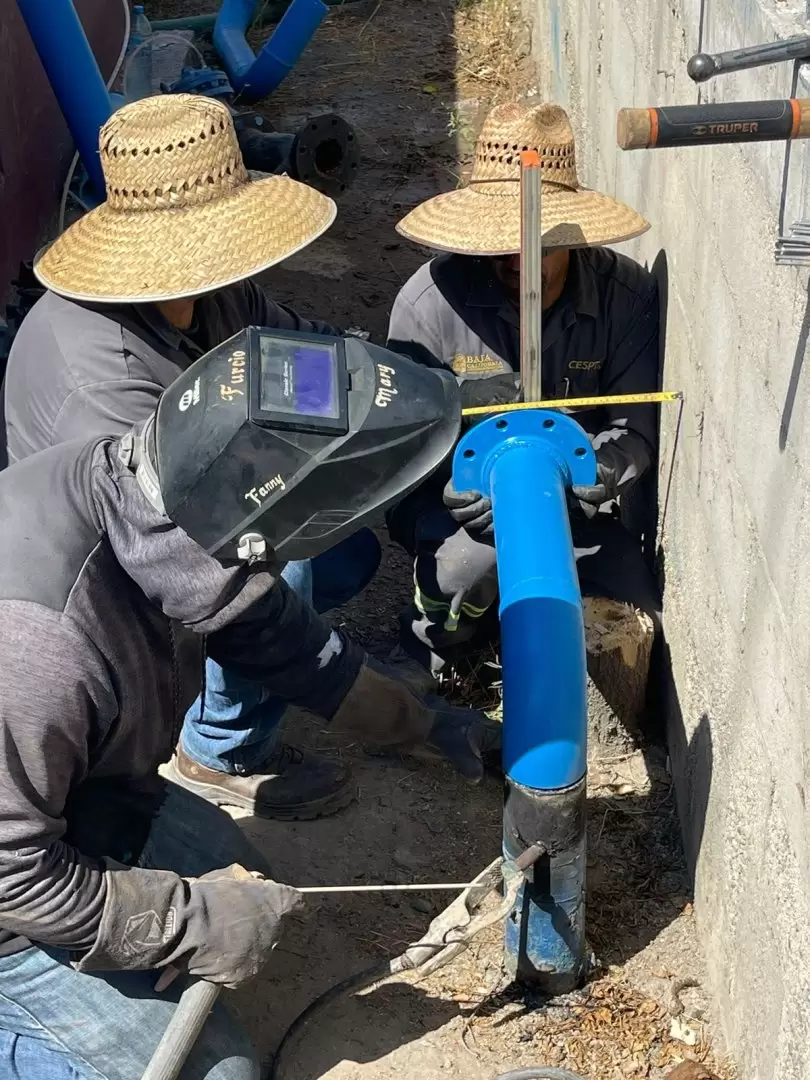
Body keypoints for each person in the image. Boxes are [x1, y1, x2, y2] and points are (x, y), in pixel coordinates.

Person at [0, 392, 490, 1078]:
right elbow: (9, 873)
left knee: (234, 866)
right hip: (8, 894)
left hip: (68, 801)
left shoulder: (157, 511)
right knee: (225, 1074)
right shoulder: (38, 646)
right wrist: (182, 923)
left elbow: (282, 641)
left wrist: (431, 726)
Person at [3, 93, 384, 821]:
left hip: (182, 512)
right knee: (274, 562)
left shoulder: (212, 297)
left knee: (348, 548)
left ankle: (247, 679)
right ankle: (219, 748)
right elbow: (174, 542)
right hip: (98, 581)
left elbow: (298, 354)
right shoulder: (100, 374)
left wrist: (378, 380)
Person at [385, 102, 662, 679]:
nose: (517, 261)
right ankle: (444, 653)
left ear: (571, 233)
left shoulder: (623, 297)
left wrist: (588, 475)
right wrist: (457, 496)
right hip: (465, 514)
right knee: (461, 577)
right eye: (500, 242)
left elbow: (635, 429)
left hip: (574, 509)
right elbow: (399, 454)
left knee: (631, 609)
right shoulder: (429, 305)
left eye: (538, 242)